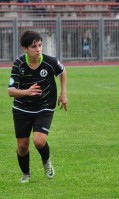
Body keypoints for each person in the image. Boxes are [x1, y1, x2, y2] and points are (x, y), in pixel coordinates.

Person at [7, 30, 67, 183]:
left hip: (44, 106)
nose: (38, 49)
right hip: (22, 108)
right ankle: (26, 174)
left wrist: (63, 93)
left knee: (39, 141)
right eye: (34, 46)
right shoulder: (19, 64)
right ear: (25, 48)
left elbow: (62, 71)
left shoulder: (50, 62)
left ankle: (46, 162)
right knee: (22, 146)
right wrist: (27, 92)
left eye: (40, 45)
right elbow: (10, 91)